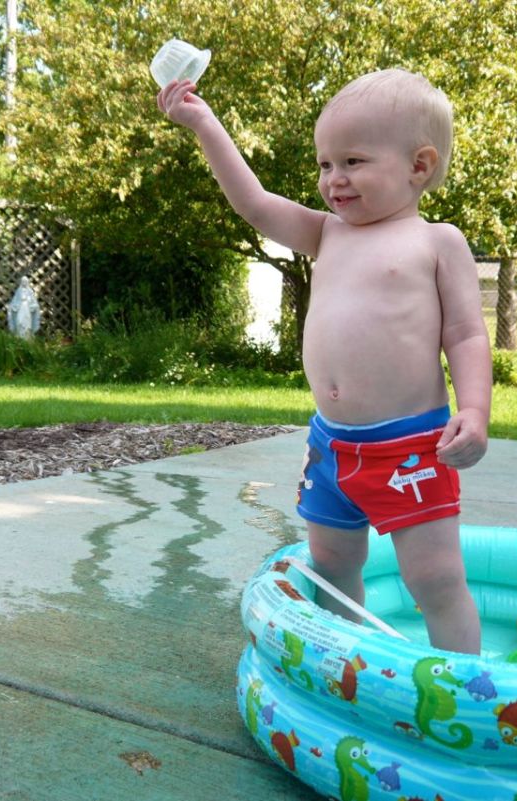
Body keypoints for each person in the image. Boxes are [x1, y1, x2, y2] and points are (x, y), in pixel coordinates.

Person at [158, 68, 491, 654]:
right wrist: (204, 124)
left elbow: (465, 334)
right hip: (331, 446)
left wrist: (475, 410)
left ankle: (463, 684)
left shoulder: (437, 241)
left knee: (434, 578)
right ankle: (345, 665)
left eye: (353, 161)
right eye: (325, 164)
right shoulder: (327, 234)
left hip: (409, 447)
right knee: (332, 565)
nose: (334, 179)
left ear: (419, 166)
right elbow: (255, 203)